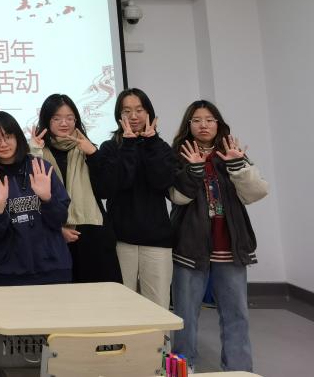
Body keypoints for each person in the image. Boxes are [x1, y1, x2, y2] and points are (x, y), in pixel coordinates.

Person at [170, 100, 268, 372]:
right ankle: (183, 366)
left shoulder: (231, 152)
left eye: (209, 119)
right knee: (184, 314)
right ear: (188, 125)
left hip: (230, 245)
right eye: (197, 120)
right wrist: (193, 170)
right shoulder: (179, 154)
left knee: (236, 313)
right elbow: (177, 197)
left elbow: (256, 192)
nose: (203, 125)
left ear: (218, 124)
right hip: (190, 246)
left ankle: (239, 369)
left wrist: (238, 165)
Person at [95, 88, 177, 308]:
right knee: (121, 305)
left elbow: (162, 181)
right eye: (127, 111)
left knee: (158, 305)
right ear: (118, 115)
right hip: (121, 239)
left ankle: (159, 336)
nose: (133, 116)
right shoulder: (110, 147)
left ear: (149, 113)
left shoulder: (160, 147)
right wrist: (129, 146)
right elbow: (112, 186)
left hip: (157, 239)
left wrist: (151, 144)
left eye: (139, 110)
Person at [32, 94, 122, 283]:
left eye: (70, 118)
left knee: (99, 295)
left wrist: (93, 154)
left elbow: (107, 190)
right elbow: (29, 199)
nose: (64, 123)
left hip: (92, 235)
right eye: (56, 118)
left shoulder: (88, 149)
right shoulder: (36, 152)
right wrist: (34, 153)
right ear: (46, 120)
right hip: (52, 234)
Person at [0, 111, 71, 285]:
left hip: (52, 267)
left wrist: (47, 199)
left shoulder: (41, 168)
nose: (3, 144)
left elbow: (60, 219)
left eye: (8, 137)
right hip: (9, 272)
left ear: (18, 137)